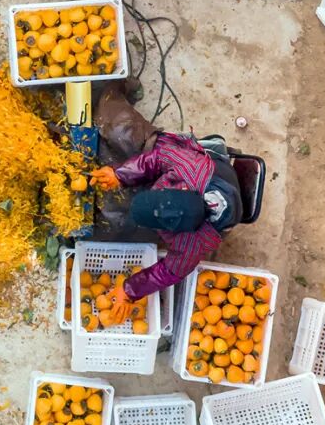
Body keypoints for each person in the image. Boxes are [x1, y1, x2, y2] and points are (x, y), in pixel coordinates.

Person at [90, 99, 242, 320]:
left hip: (221, 197)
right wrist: (120, 175)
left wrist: (129, 290)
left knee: (118, 229)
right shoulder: (189, 168)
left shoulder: (191, 245)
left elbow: (168, 272)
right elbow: (158, 158)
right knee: (122, 129)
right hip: (212, 170)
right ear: (176, 189)